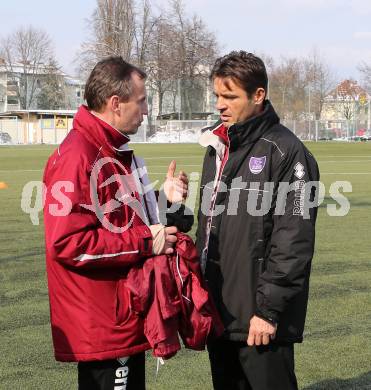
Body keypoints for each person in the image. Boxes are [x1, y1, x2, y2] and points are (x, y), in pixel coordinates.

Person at [43, 56, 190, 390]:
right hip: (104, 320)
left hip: (121, 314)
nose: (146, 110)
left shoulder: (112, 150)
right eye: (141, 101)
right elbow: (67, 243)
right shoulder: (80, 155)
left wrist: (164, 202)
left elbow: (124, 221)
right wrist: (144, 241)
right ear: (115, 103)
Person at [196, 51, 319, 390]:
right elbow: (208, 230)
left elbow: (293, 240)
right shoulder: (217, 147)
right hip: (221, 311)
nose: (220, 104)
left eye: (230, 96)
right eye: (217, 95)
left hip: (260, 316)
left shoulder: (286, 151)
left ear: (258, 95)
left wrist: (267, 310)